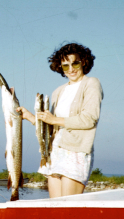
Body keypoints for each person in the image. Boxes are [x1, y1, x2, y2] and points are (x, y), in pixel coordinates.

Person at [17, 42, 103, 198]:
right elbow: (51, 126)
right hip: (55, 152)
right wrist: (29, 116)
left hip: (76, 151)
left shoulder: (92, 83)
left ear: (83, 61)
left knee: (67, 210)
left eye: (75, 63)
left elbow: (89, 119)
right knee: (55, 209)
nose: (71, 69)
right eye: (65, 66)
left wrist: (54, 119)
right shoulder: (58, 91)